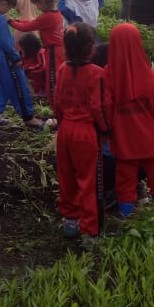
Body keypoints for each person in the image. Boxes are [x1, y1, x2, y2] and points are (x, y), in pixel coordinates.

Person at [105, 23, 154, 217]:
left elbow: (106, 109)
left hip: (123, 141)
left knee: (125, 181)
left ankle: (127, 217)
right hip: (149, 140)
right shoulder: (147, 74)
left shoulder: (107, 75)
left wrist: (108, 134)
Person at [53, 23, 110, 239]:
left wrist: (62, 122)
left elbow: (57, 102)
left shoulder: (62, 69)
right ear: (90, 47)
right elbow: (99, 107)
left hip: (65, 129)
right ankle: (91, 230)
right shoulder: (98, 74)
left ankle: (70, 222)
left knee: (67, 177)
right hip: (86, 133)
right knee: (90, 182)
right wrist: (105, 130)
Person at [0, 0, 45, 128]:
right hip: (4, 57)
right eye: (9, 7)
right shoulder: (0, 19)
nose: (8, 11)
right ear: (3, 3)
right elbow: (6, 42)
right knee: (18, 85)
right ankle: (28, 117)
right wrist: (16, 58)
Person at [10, 0, 65, 100]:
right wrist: (15, 20)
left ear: (42, 1)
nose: (37, 8)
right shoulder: (57, 14)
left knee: (52, 79)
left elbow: (26, 27)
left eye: (36, 5)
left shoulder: (47, 16)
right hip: (58, 50)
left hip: (53, 51)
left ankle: (55, 103)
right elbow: (30, 23)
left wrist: (10, 21)